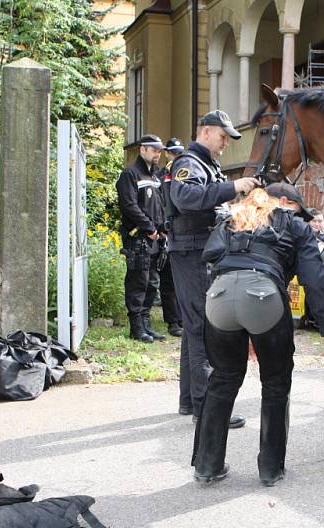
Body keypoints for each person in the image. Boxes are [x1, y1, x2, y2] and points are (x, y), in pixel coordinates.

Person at [192, 185, 324, 486]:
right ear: (282, 202)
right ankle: (270, 469)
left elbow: (209, 262)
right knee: (275, 382)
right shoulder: (294, 225)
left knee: (223, 377)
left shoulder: (230, 218)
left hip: (218, 295)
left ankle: (207, 466)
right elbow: (313, 276)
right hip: (264, 295)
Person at [166, 110, 260, 424]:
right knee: (203, 327)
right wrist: (233, 187)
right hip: (191, 252)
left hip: (198, 251)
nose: (224, 145)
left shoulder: (205, 165)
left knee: (194, 326)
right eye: (222, 137)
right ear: (206, 132)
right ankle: (207, 408)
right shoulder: (187, 164)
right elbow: (187, 199)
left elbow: (212, 205)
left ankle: (190, 402)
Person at [115, 134, 168, 343]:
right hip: (138, 237)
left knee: (152, 283)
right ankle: (136, 328)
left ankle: (146, 324)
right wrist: (148, 227)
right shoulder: (130, 174)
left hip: (154, 238)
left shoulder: (155, 176)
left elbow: (161, 205)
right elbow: (129, 206)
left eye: (159, 151)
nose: (158, 154)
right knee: (138, 281)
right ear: (143, 149)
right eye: (154, 150)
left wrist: (162, 228)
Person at [154, 137, 186, 338]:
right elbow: (158, 204)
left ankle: (182, 318)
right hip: (166, 230)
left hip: (183, 231)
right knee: (168, 280)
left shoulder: (185, 174)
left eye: (178, 153)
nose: (174, 157)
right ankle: (173, 321)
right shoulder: (159, 176)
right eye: (172, 153)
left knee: (182, 280)